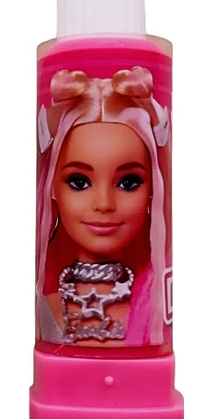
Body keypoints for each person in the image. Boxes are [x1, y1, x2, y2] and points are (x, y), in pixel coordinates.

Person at [36, 66, 171, 346]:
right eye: (79, 182)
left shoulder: (158, 310)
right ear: (51, 187)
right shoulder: (42, 309)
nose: (104, 204)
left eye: (129, 182)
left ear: (153, 190)